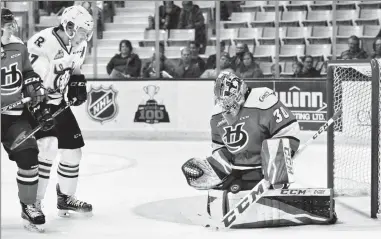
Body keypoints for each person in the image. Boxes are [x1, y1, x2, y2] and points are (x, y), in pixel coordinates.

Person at [181, 72, 337, 228]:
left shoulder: (263, 99)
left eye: (230, 99)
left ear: (239, 90)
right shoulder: (216, 115)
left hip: (265, 170)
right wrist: (216, 169)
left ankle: (279, 190)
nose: (227, 106)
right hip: (238, 170)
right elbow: (219, 147)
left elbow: (289, 130)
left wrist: (279, 160)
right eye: (224, 101)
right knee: (223, 196)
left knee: (272, 147)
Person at [26, 5, 93, 218]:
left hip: (57, 101)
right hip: (36, 101)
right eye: (83, 31)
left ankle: (65, 198)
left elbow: (75, 66)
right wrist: (37, 107)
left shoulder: (78, 45)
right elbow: (31, 80)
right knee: (47, 147)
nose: (85, 36)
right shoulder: (42, 42)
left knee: (74, 153)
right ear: (69, 26)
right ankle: (33, 203)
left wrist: (77, 81)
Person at [1, 8, 54, 232]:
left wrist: (35, 89)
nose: (10, 27)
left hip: (14, 117)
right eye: (5, 24)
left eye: (10, 23)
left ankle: (29, 205)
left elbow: (27, 73)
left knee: (29, 155)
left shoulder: (19, 46)